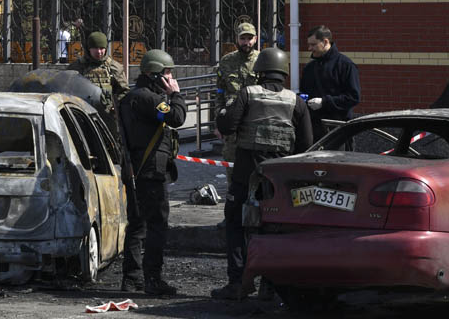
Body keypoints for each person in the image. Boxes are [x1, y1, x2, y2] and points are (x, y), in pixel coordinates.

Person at [211, 47, 313, 300]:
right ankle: (271, 283)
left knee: (234, 222)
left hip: (246, 169)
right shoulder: (295, 101)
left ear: (259, 71)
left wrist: (223, 112)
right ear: (283, 72)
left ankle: (237, 282)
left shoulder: (248, 93)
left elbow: (227, 125)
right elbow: (306, 144)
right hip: (278, 175)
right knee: (274, 226)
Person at [119, 49, 187, 295]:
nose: (170, 77)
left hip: (136, 170)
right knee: (157, 225)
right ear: (155, 74)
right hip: (151, 171)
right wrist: (176, 94)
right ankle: (152, 279)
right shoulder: (148, 98)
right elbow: (177, 117)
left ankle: (131, 279)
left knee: (137, 225)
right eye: (167, 73)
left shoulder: (131, 97)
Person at [214, 22, 259, 227]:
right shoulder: (226, 62)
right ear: (237, 39)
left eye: (250, 38)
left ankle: (256, 216)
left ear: (256, 39)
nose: (246, 42)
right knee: (232, 170)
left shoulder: (263, 60)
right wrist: (218, 122)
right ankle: (231, 216)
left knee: (256, 172)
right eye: (243, 38)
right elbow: (220, 95)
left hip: (255, 124)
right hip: (233, 126)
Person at [300, 25, 361, 142]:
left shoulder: (345, 65)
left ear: (325, 42)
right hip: (314, 129)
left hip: (338, 130)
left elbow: (353, 97)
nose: (309, 48)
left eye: (313, 44)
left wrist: (324, 102)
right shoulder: (309, 68)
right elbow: (304, 93)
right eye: (309, 44)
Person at [67, 31, 129, 142]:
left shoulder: (114, 67)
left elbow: (124, 91)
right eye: (95, 48)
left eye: (102, 48)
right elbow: (66, 88)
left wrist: (116, 106)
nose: (99, 52)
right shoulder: (77, 67)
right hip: (83, 114)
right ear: (88, 48)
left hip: (107, 115)